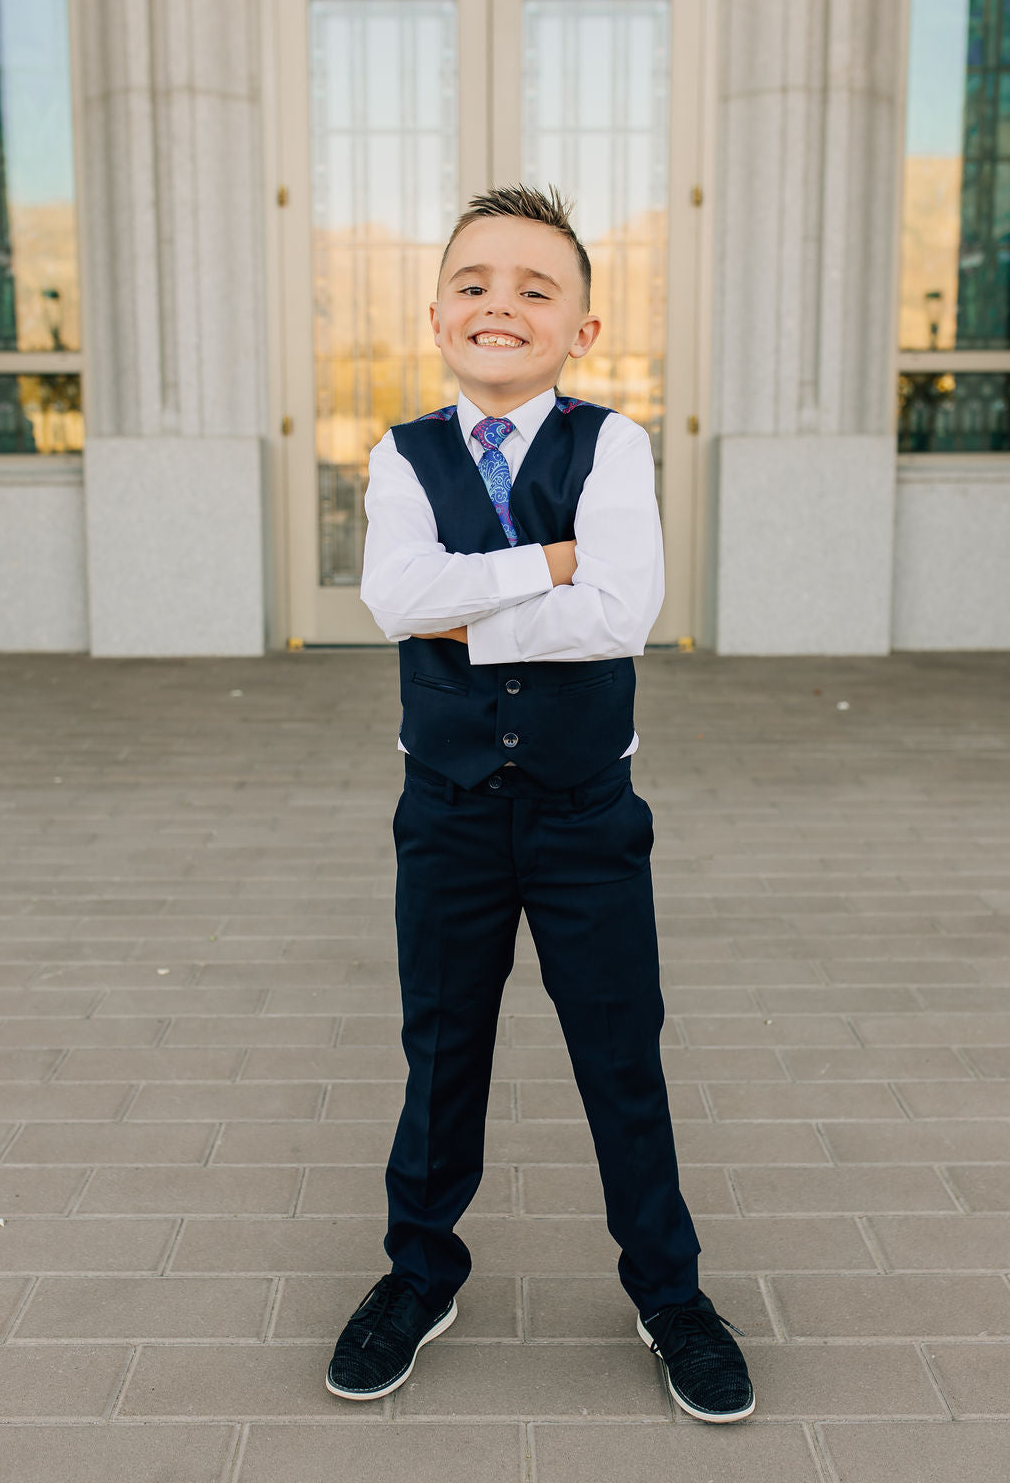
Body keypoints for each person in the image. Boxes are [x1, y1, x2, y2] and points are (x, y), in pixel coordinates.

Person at [325, 184, 754, 1424]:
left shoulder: (611, 444)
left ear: (581, 328)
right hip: (446, 813)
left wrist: (474, 607)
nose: (499, 305)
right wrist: (550, 563)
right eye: (473, 284)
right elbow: (396, 599)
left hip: (584, 817)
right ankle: (420, 1274)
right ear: (436, 317)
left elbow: (621, 613)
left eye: (533, 288)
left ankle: (669, 1292)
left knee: (620, 1056)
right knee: (441, 1050)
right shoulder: (400, 454)